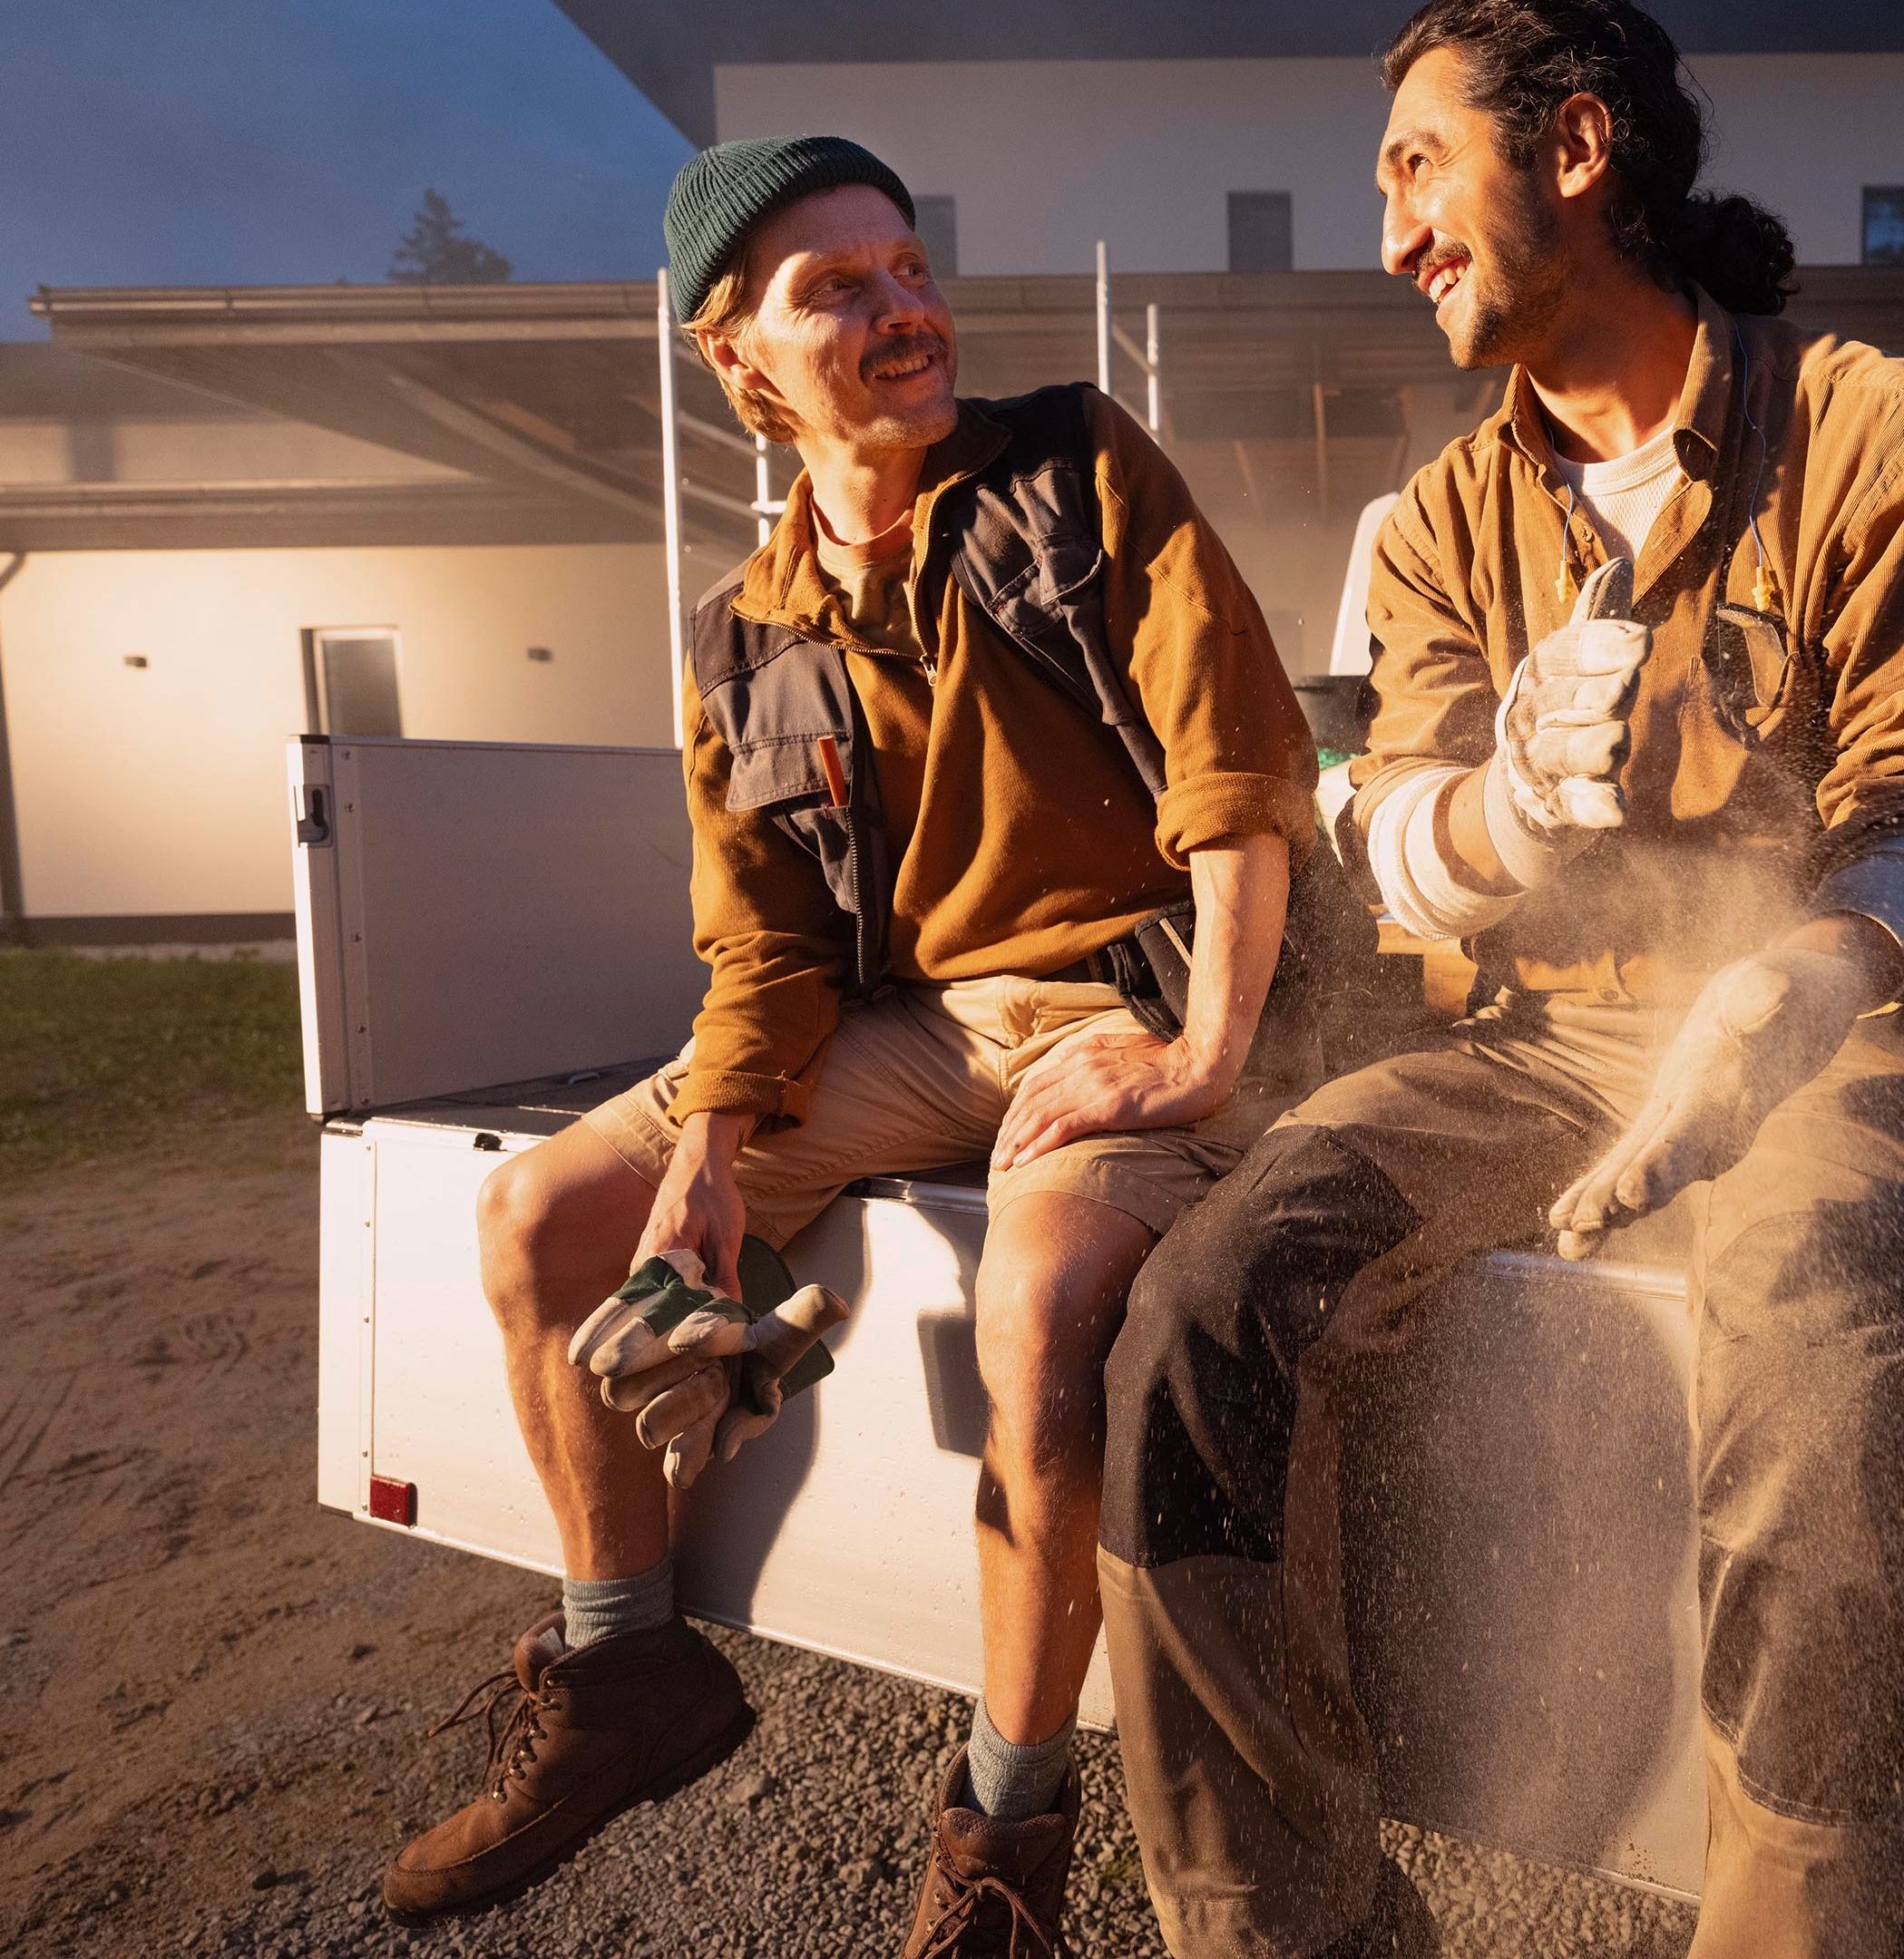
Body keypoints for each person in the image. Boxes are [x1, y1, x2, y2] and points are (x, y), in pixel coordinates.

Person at [1097, 3, 1904, 1954]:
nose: (1392, 236)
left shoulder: (1878, 432)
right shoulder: (1444, 518)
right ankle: (1284, 1920)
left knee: (1827, 1342)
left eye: (1419, 167)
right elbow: (1405, 831)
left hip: (1813, 1039)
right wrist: (1509, 818)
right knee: (1196, 1310)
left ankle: (1786, 1921)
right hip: (1540, 1046)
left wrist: (1809, 974)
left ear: (1580, 148)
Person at [376, 134, 1321, 1958]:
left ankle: (1007, 1845)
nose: (905, 313)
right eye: (838, 291)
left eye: (906, 268)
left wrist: (1205, 1054)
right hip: (915, 1025)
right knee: (548, 1230)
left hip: (1128, 1001)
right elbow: (766, 943)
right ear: (734, 359)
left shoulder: (1073, 472)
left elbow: (1237, 773)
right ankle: (625, 1674)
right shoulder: (744, 630)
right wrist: (714, 1164)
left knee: (1041, 1334)